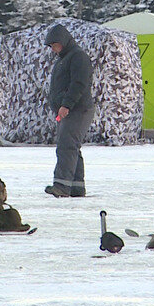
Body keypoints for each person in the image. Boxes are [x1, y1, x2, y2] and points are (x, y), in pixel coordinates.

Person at [43, 24, 95, 198]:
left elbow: (78, 84)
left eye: (54, 45)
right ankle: (76, 186)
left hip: (78, 109)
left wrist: (66, 105)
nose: (53, 49)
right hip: (70, 109)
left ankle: (62, 185)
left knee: (66, 146)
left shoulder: (78, 57)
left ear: (63, 41)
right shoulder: (65, 58)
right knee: (72, 146)